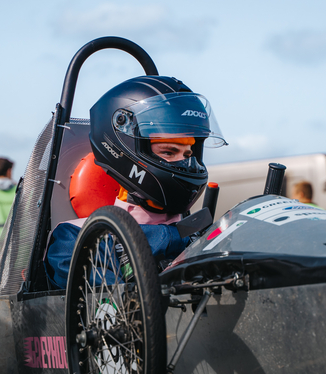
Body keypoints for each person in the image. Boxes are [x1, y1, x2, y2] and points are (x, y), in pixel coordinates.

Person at [44, 76, 227, 289]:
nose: (185, 163)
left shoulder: (205, 234)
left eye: (188, 154)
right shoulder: (75, 238)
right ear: (127, 152)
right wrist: (177, 237)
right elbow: (116, 310)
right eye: (169, 152)